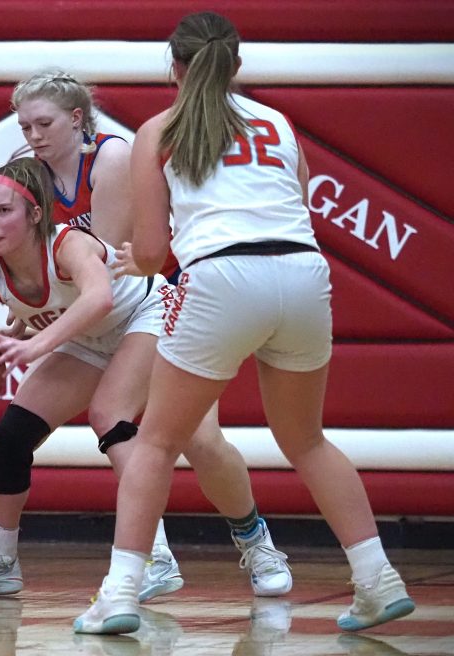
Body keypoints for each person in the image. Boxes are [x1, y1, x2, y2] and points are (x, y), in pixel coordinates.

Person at [0, 71, 290, 600]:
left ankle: (250, 544)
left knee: (196, 439)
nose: (32, 134)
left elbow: (101, 258)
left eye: (43, 123)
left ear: (76, 118)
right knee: (9, 436)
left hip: (146, 304)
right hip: (85, 320)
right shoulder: (24, 176)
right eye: (24, 124)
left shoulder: (113, 159)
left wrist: (36, 309)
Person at [73, 12, 415, 634]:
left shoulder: (158, 130)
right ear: (236, 66)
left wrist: (132, 259)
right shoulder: (276, 121)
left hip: (223, 278)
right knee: (306, 440)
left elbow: (151, 252)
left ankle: (119, 596)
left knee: (154, 442)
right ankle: (377, 579)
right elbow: (296, 201)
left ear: (173, 68)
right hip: (304, 274)